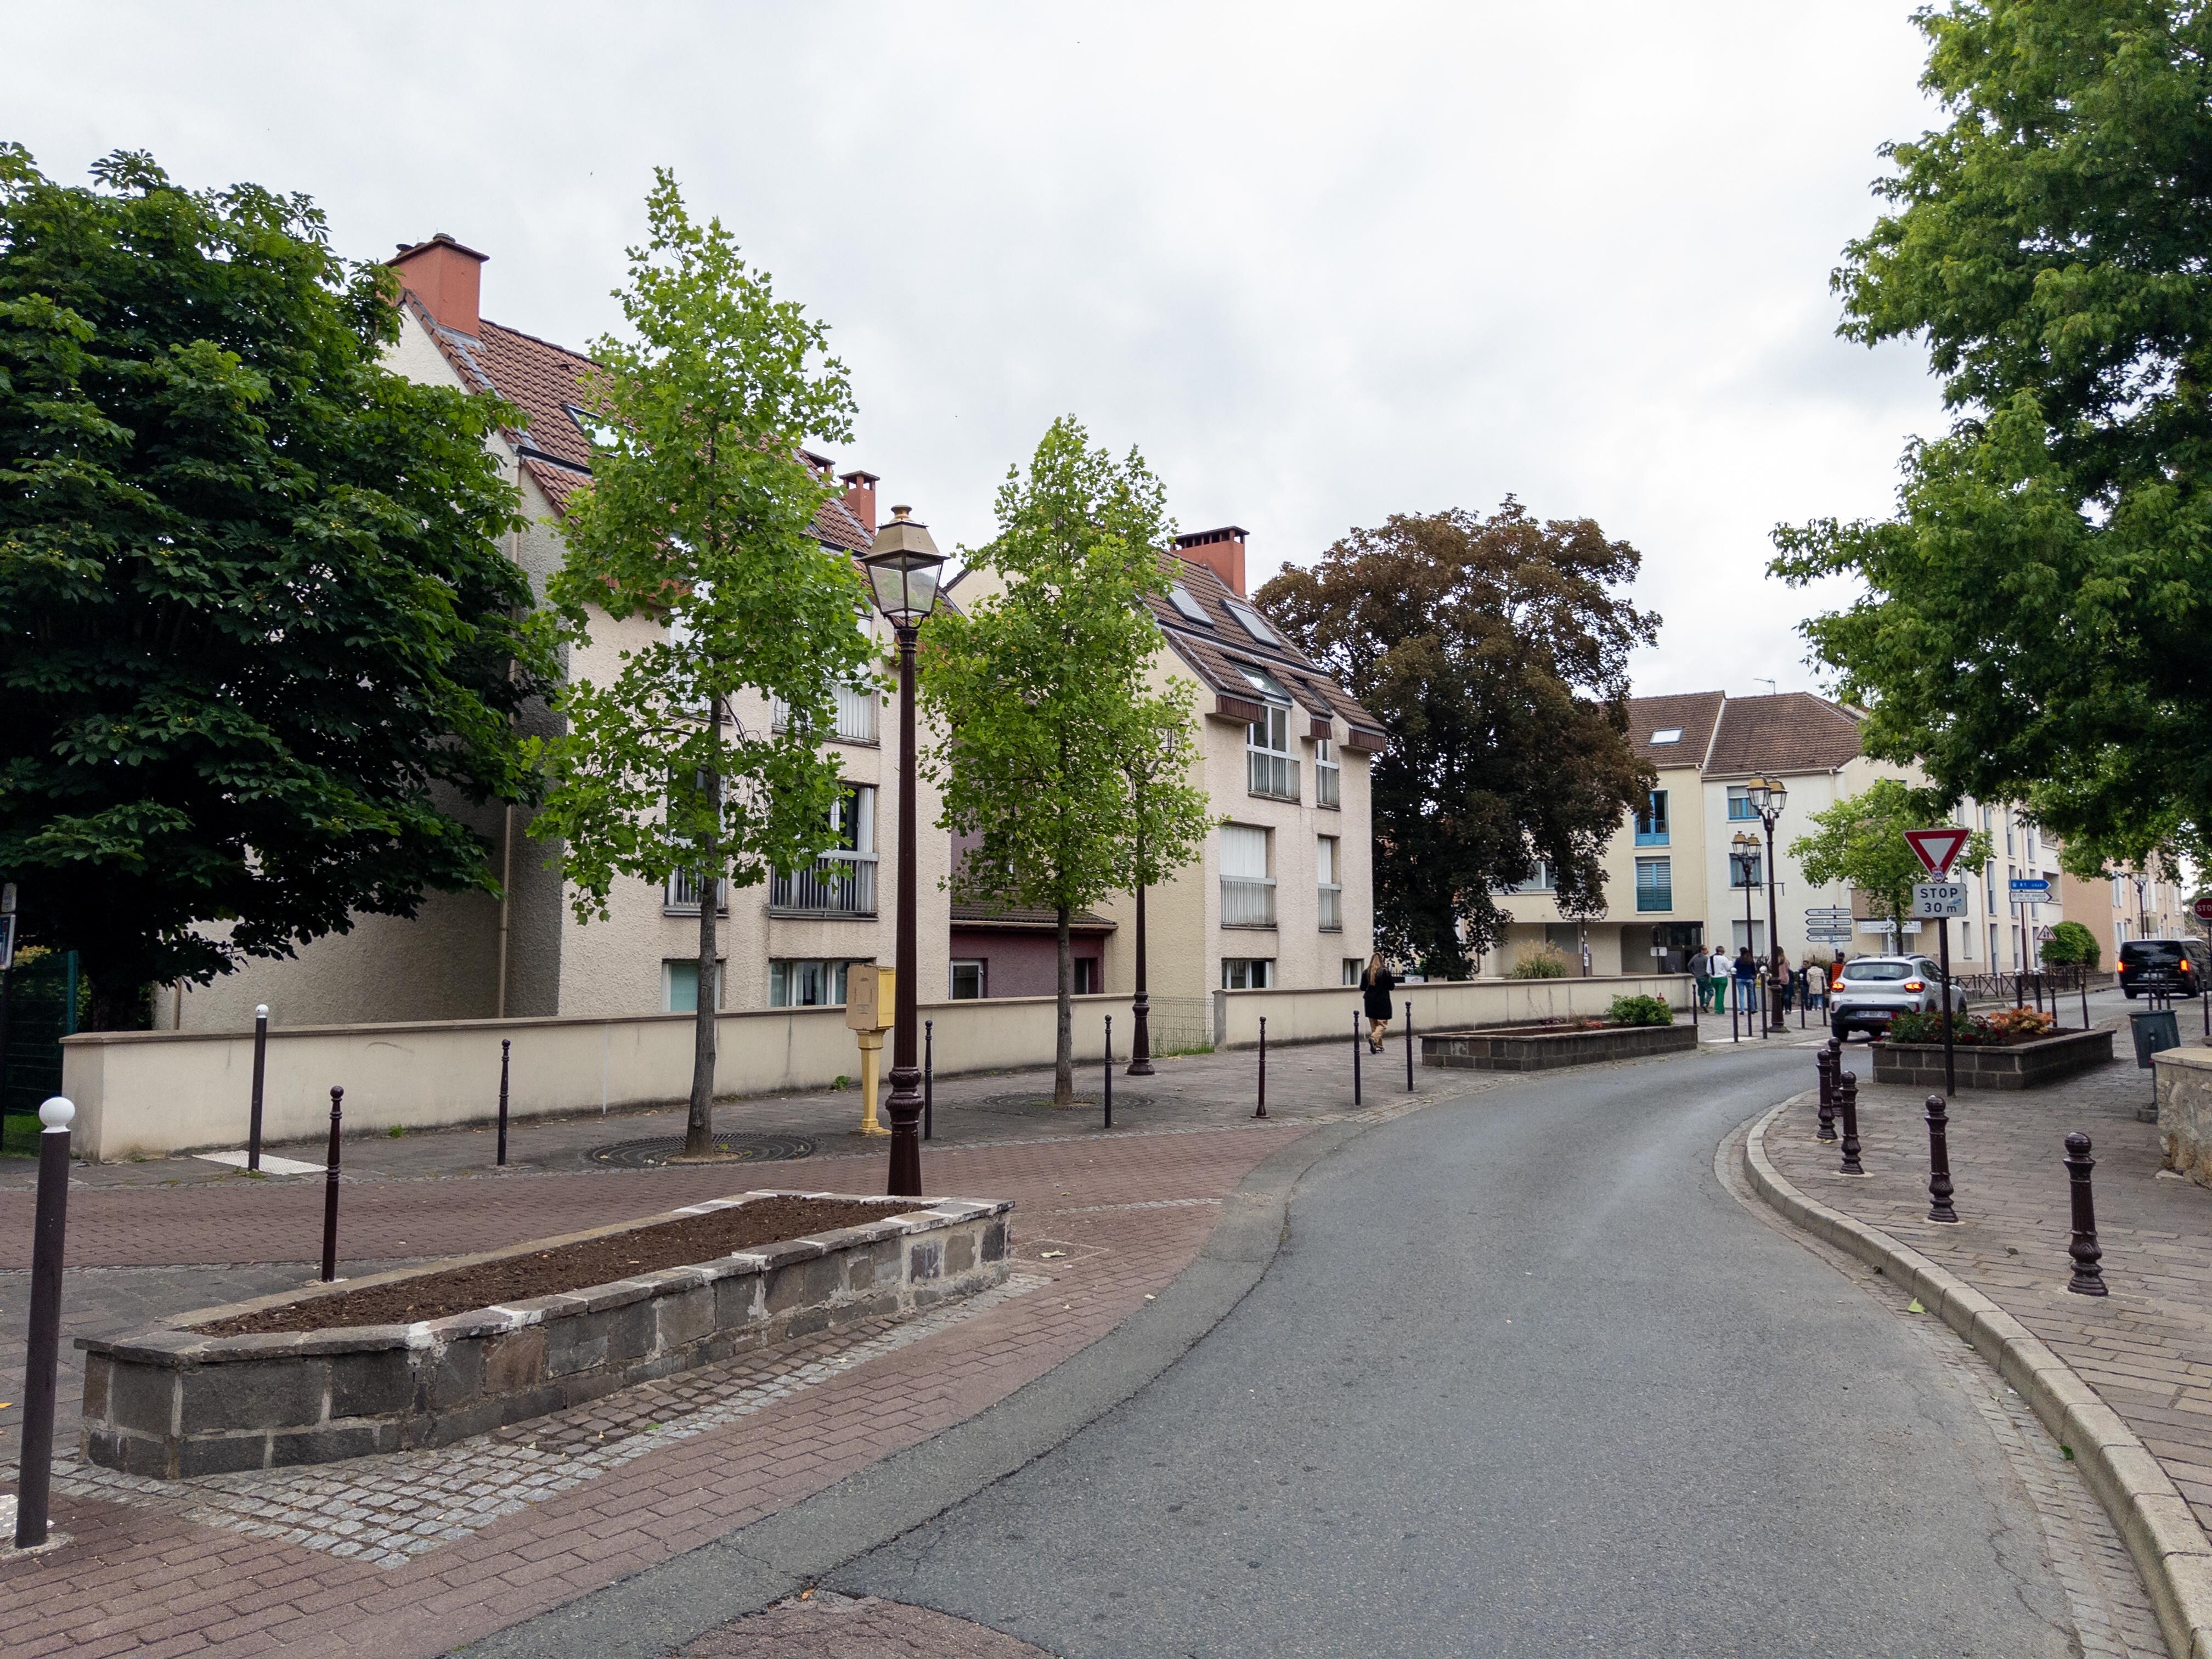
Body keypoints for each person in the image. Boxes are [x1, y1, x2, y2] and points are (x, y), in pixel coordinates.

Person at [1361, 952, 1399, 1053]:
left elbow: (1362, 988)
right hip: (1382, 1000)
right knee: (1382, 1024)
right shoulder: (1385, 972)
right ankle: (1374, 1038)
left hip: (1370, 1001)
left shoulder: (1366, 972)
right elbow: (1391, 987)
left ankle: (1379, 1046)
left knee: (1374, 1025)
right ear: (1382, 960)